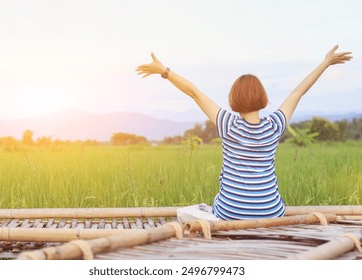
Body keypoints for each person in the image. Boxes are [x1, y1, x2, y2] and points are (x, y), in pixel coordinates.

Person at [136, 45, 352, 220]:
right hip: (271, 212)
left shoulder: (227, 123)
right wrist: (325, 63)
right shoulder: (274, 125)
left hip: (231, 213)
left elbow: (194, 92)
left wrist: (164, 71)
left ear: (234, 99)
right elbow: (299, 91)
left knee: (216, 200)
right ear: (263, 98)